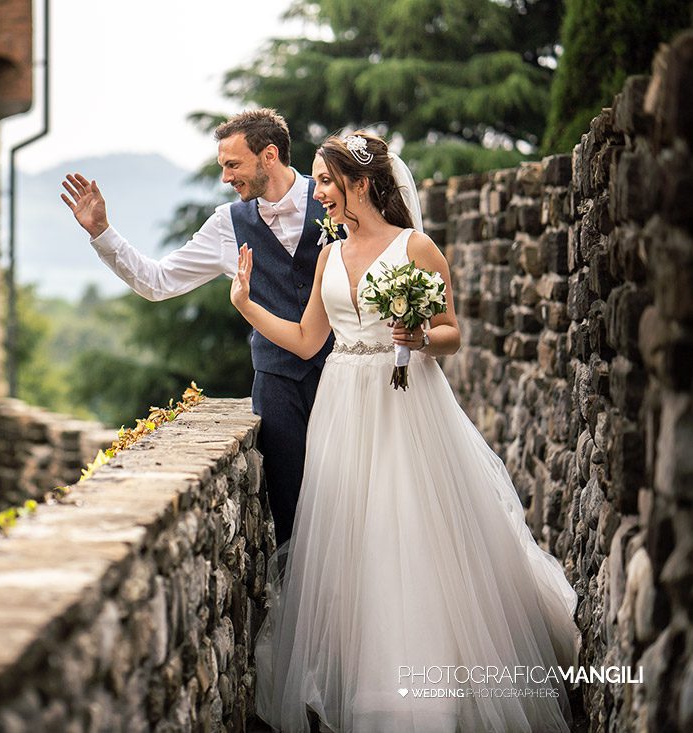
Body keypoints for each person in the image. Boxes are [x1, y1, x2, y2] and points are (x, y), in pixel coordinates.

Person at [230, 132, 580, 732]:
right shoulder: (328, 255)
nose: (320, 194)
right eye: (318, 182)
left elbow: (450, 332)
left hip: (403, 406)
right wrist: (247, 305)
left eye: (327, 182)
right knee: (351, 536)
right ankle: (361, 678)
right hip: (342, 406)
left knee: (405, 529)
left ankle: (420, 695)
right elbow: (310, 339)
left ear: (360, 184)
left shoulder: (416, 248)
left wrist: (416, 339)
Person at [59, 109, 341, 548]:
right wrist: (102, 233)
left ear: (269, 155)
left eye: (233, 165)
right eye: (222, 167)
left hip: (346, 376)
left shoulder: (332, 199)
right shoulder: (227, 224)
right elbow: (158, 282)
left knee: (355, 501)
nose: (226, 178)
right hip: (279, 386)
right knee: (291, 521)